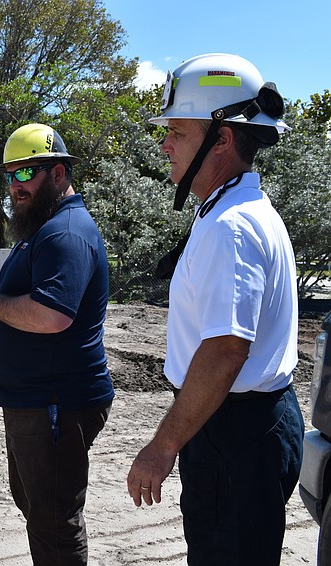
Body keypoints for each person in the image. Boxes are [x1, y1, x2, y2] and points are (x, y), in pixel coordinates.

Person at [126, 53, 304, 565]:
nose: (165, 147)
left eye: (177, 132)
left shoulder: (232, 226)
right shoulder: (233, 212)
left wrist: (161, 448)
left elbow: (226, 349)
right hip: (241, 426)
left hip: (237, 432)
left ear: (222, 139)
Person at [0, 123, 114, 565]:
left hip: (55, 402)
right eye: (10, 176)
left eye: (27, 174)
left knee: (55, 521)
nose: (15, 187)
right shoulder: (44, 230)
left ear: (59, 173)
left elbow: (51, 314)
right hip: (38, 402)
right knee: (41, 513)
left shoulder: (64, 233)